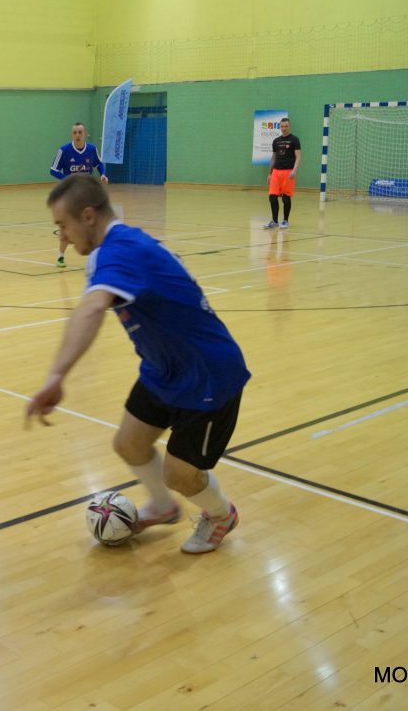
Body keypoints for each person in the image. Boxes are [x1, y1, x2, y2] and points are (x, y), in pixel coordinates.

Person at [25, 175, 250, 554]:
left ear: (88, 216)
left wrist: (57, 375)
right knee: (129, 444)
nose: (61, 235)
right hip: (163, 369)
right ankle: (163, 508)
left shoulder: (122, 251)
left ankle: (220, 515)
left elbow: (92, 309)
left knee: (180, 474)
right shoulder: (112, 250)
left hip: (208, 376)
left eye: (63, 225)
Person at [49, 122, 107, 267]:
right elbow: (53, 170)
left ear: (85, 134)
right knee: (66, 227)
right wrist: (68, 179)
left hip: (86, 193)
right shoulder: (64, 150)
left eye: (80, 132)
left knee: (94, 225)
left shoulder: (91, 149)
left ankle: (97, 257)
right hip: (69, 195)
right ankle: (61, 256)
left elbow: (100, 164)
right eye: (75, 132)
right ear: (72, 134)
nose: (77, 135)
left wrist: (103, 174)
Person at [264, 117, 301, 229]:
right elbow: (273, 158)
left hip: (288, 172)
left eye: (286, 126)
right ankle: (274, 221)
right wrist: (270, 173)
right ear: (280, 127)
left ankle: (285, 220)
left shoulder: (294, 139)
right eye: (282, 126)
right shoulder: (276, 141)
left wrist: (294, 170)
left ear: (289, 126)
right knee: (272, 197)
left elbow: (298, 156)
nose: (284, 128)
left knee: (286, 198)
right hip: (276, 172)